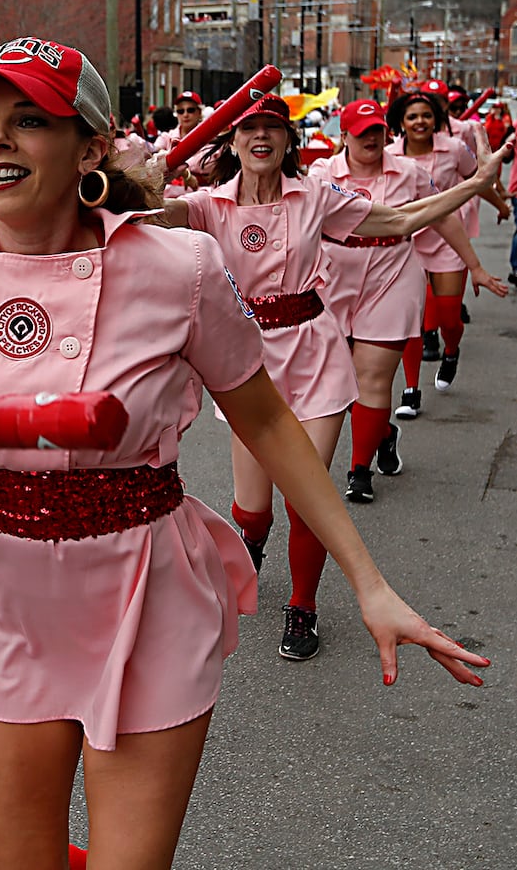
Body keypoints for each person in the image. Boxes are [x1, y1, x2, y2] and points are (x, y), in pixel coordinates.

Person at [0, 37, 490, 870]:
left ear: (89, 146)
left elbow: (263, 422)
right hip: (5, 596)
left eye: (27, 120)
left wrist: (370, 583)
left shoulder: (178, 266)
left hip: (148, 588)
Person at [164, 93, 510, 662]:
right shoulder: (205, 206)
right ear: (230, 140)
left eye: (274, 127)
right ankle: (251, 543)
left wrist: (476, 185)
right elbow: (137, 217)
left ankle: (303, 607)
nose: (261, 136)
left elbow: (399, 220)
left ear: (287, 141)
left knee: (307, 495)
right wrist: (141, 173)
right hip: (247, 364)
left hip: (315, 352)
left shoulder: (316, 196)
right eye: (249, 127)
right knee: (252, 507)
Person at [307, 100, 507, 503]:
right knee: (341, 382)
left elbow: (443, 216)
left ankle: (359, 471)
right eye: (362, 132)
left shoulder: (410, 173)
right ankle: (382, 431)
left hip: (392, 275)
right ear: (344, 135)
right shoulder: (322, 173)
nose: (372, 138)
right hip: (334, 278)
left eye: (377, 130)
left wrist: (477, 267)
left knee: (374, 378)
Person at [387, 88, 510, 405]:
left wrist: (500, 205)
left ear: (437, 119)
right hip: (407, 240)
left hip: (446, 238)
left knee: (449, 319)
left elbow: (477, 181)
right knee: (410, 319)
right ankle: (411, 390)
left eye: (426, 115)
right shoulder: (390, 155)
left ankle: (451, 350)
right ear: (401, 121)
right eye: (412, 116)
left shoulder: (454, 149)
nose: (420, 121)